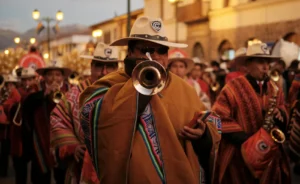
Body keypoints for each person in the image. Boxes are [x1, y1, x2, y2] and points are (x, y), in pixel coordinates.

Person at [79, 16, 221, 184]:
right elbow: (91, 114)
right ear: (131, 52)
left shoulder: (184, 89)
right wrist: (138, 88)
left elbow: (211, 122)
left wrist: (203, 135)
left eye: (162, 50)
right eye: (147, 49)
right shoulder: (111, 84)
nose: (155, 56)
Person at [212, 43, 291, 184]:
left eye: (267, 62)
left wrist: (281, 114)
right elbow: (218, 117)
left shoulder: (275, 88)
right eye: (261, 62)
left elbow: (283, 107)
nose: (266, 67)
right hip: (238, 156)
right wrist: (248, 141)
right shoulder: (232, 87)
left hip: (270, 157)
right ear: (248, 65)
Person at [50, 42, 121, 184]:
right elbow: (57, 118)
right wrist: (73, 146)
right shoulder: (75, 93)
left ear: (117, 68)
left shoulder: (126, 92)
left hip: (118, 166)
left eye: (110, 67)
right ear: (91, 67)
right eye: (99, 66)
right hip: (81, 168)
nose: (104, 72)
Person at [23, 60, 71, 184]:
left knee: (63, 179)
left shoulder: (71, 93)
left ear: (63, 77)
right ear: (44, 77)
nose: (54, 78)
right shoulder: (35, 95)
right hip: (41, 146)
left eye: (58, 75)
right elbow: (27, 111)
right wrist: (45, 95)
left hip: (63, 145)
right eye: (50, 75)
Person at [10, 67, 39, 184]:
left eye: (30, 80)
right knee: (20, 172)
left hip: (35, 135)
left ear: (34, 79)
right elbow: (9, 109)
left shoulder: (39, 91)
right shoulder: (16, 92)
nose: (27, 83)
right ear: (21, 81)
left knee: (37, 173)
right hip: (20, 135)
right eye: (24, 80)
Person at [0, 74, 20, 178]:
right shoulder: (4, 93)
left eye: (11, 84)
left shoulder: (16, 95)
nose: (9, 86)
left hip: (11, 128)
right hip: (3, 129)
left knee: (8, 151)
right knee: (3, 151)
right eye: (8, 84)